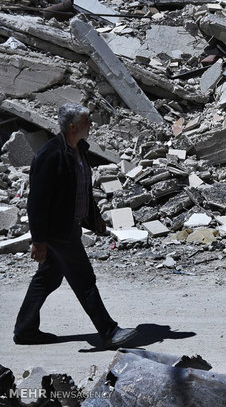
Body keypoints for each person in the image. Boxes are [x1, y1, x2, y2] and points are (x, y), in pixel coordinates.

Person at [13, 103, 137, 349]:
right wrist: (38, 241)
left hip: (71, 226)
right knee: (84, 278)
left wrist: (95, 218)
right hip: (59, 231)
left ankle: (25, 329)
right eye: (87, 121)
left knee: (48, 279)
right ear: (72, 127)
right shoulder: (49, 156)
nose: (91, 125)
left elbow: (83, 190)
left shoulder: (80, 149)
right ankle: (109, 331)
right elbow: (36, 203)